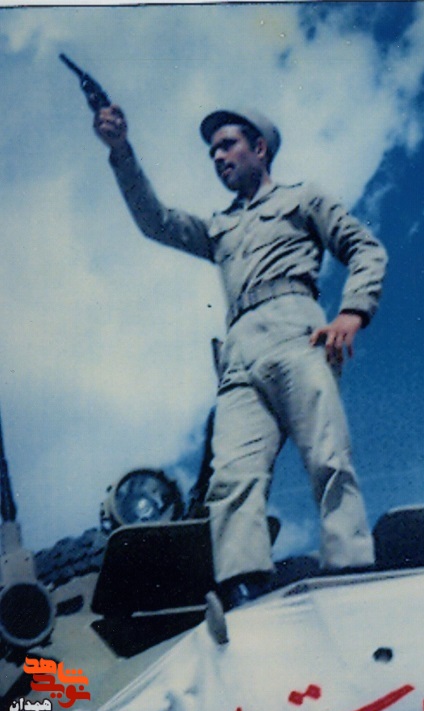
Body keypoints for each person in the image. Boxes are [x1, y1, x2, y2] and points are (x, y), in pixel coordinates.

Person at [93, 104, 388, 607]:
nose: (218, 156)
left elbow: (365, 248)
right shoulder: (219, 228)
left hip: (297, 331)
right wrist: (121, 151)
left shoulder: (302, 198)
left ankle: (351, 567)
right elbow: (156, 221)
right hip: (238, 354)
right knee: (231, 477)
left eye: (228, 144)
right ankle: (243, 587)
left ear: (260, 149)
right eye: (212, 151)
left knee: (328, 455)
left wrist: (352, 312)